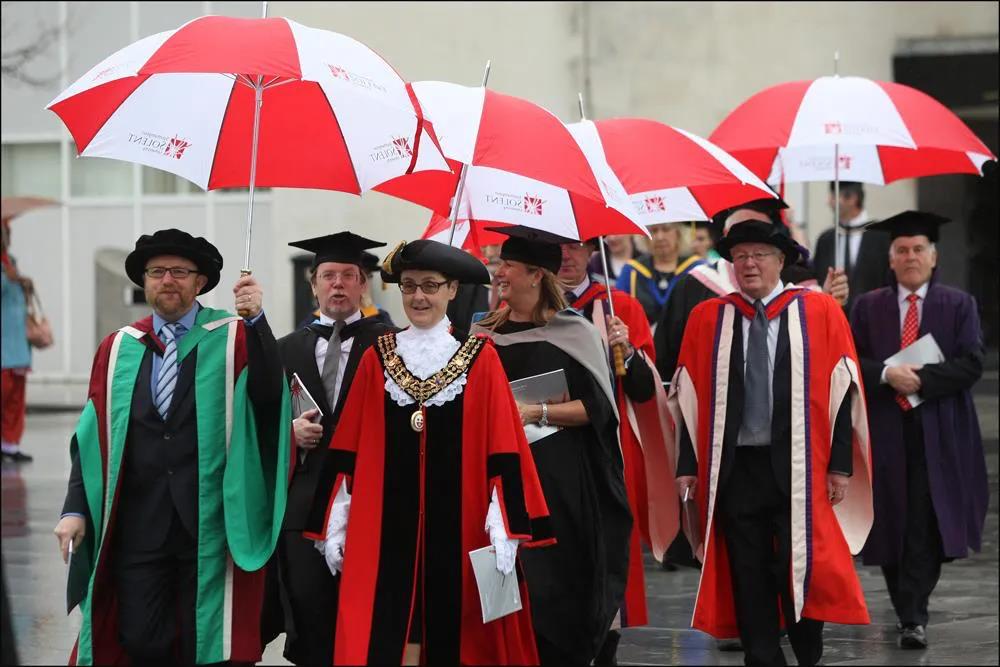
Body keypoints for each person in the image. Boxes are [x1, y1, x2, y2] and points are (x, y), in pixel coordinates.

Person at [303, 239, 552, 666]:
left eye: (431, 286)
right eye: (410, 286)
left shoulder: (480, 359)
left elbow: (504, 449)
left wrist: (505, 524)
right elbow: (348, 447)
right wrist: (336, 521)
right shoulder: (378, 358)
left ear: (452, 290)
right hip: (387, 527)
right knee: (391, 628)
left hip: (462, 526)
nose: (419, 296)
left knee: (458, 634)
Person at [53, 229, 291, 666]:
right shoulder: (119, 347)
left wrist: (257, 321)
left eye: (180, 272)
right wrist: (75, 510)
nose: (167, 280)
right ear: (144, 281)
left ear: (200, 282)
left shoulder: (232, 337)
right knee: (141, 639)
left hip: (209, 525)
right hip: (137, 524)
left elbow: (268, 394)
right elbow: (91, 438)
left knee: (202, 644)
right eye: (157, 271)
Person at [670, 219, 873, 667]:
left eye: (759, 255)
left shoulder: (819, 311)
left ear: (781, 261)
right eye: (740, 256)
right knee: (748, 570)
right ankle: (761, 657)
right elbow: (688, 399)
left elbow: (843, 392)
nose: (749, 264)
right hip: (736, 469)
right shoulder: (709, 318)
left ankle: (807, 650)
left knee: (800, 565)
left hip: (801, 465)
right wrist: (687, 465)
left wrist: (840, 464)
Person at [471, 228, 632, 666]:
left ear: (536, 275)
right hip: (499, 479)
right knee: (507, 580)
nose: (499, 273)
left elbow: (598, 410)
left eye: (508, 266)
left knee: (557, 589)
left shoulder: (574, 333)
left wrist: (534, 411)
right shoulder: (483, 335)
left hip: (559, 481)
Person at [850, 211, 989, 650]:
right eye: (902, 250)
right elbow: (849, 359)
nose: (910, 257)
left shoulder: (958, 305)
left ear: (934, 257)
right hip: (885, 430)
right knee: (892, 519)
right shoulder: (867, 306)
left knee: (926, 521)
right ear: (890, 259)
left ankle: (914, 614)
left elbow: (971, 363)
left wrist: (921, 380)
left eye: (918, 250)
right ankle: (908, 609)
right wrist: (887, 374)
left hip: (940, 430)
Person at [261, 232, 397, 665]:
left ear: (363, 284)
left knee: (369, 617)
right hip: (303, 506)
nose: (338, 284)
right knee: (309, 614)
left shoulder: (393, 347)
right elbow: (257, 423)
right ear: (313, 284)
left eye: (348, 276)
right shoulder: (284, 350)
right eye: (328, 276)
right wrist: (290, 432)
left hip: (371, 501)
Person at [557, 235, 676, 665]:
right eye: (558, 246)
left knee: (608, 548)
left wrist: (627, 350)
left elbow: (644, 392)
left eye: (576, 246)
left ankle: (606, 641)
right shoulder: (532, 304)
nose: (567, 255)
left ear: (593, 252)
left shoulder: (619, 305)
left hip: (608, 448)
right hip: (551, 447)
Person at [813, 181, 891, 313]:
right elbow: (818, 279)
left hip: (873, 316)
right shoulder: (826, 240)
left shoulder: (882, 236)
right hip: (834, 316)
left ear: (852, 198)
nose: (829, 202)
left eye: (834, 196)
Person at [616, 222, 703, 326]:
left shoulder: (698, 270)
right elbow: (619, 313)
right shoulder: (631, 271)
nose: (659, 237)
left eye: (666, 229)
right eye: (654, 231)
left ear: (679, 233)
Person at [1, 219, 34, 463]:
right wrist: (7, 279)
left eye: (7, 233)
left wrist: (24, 284)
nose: (6, 237)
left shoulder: (10, 261)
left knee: (15, 399)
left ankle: (10, 445)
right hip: (4, 345)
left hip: (18, 345)